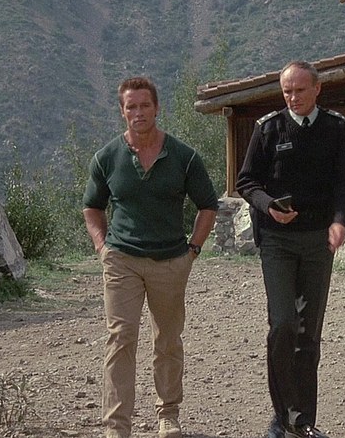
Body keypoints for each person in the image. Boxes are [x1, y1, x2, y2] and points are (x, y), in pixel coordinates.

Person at [82, 76, 219, 438]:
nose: (138, 112)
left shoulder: (184, 157)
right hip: (122, 259)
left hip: (171, 260)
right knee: (121, 338)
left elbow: (208, 205)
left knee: (168, 340)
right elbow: (91, 207)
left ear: (157, 108)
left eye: (145, 105)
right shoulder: (106, 158)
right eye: (131, 106)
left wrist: (193, 250)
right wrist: (102, 247)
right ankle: (116, 427)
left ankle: (168, 415)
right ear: (122, 111)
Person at [236, 61, 345, 438]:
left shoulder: (335, 127)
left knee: (308, 333)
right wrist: (267, 206)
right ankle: (281, 415)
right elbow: (247, 182)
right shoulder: (268, 128)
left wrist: (340, 221)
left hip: (318, 241)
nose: (293, 97)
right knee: (283, 325)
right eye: (287, 91)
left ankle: (302, 421)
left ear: (317, 89)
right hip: (278, 240)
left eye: (299, 90)